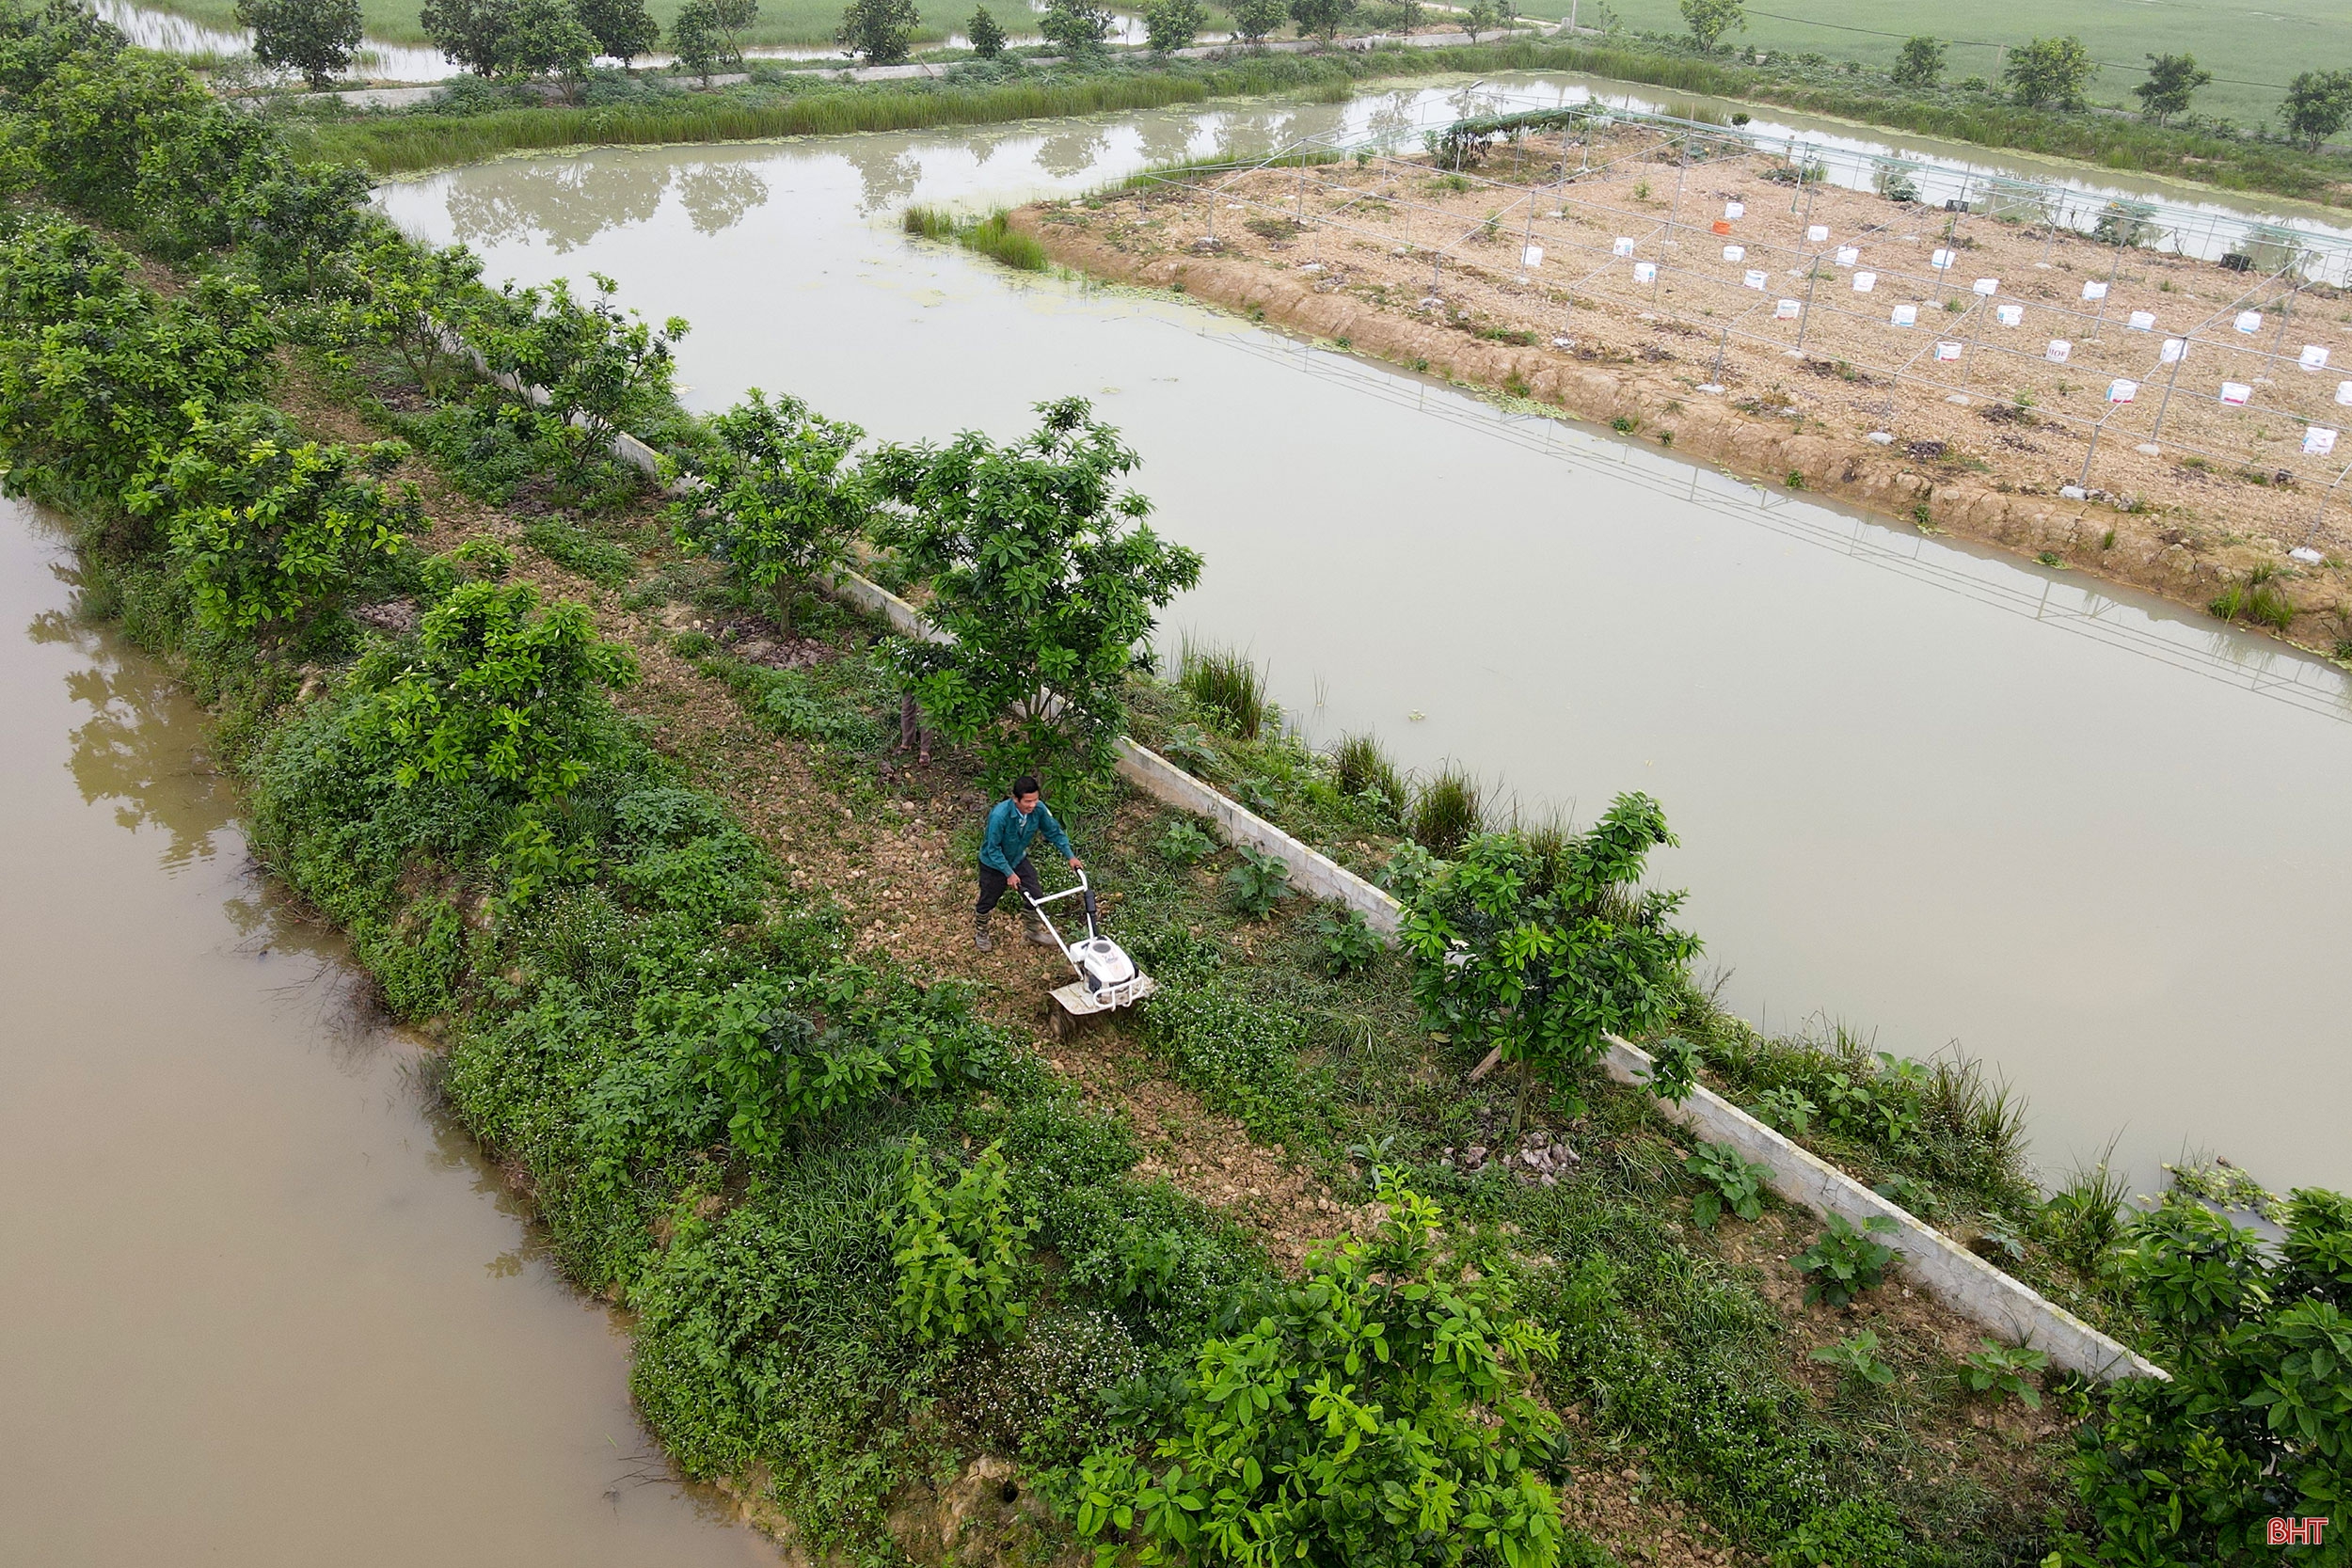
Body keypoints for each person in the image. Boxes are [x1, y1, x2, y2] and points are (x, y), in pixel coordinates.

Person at [976, 774, 1080, 952]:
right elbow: (993, 849)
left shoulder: (1038, 810)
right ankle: (981, 932)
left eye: (1036, 800)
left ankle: (1033, 931)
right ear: (1015, 799)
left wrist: (1070, 856)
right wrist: (1008, 873)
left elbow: (1054, 832)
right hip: (993, 864)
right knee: (988, 899)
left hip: (1017, 858)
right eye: (1028, 801)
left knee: (1035, 894)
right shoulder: (1000, 816)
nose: (1032, 805)